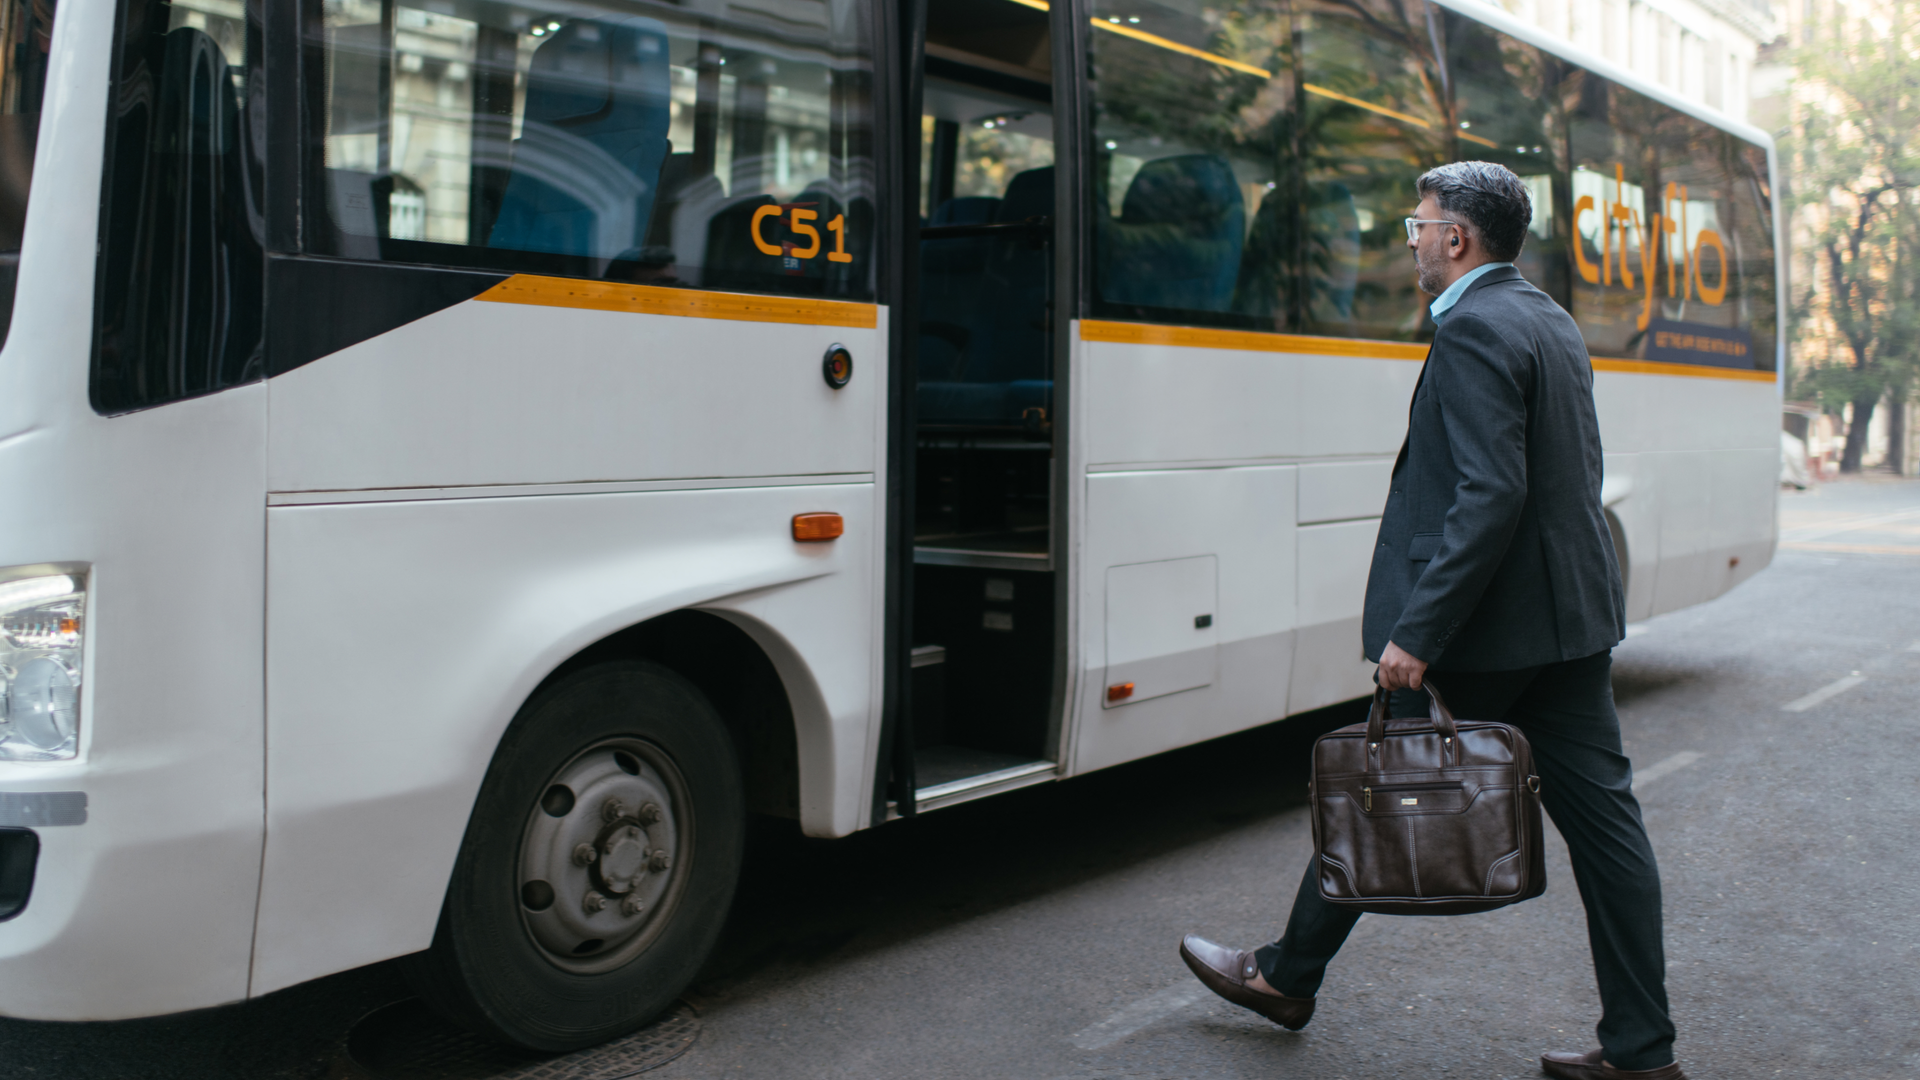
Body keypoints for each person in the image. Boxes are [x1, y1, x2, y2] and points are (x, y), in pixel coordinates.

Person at [1178, 161, 1685, 1080]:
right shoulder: (1547, 318)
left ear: (1457, 237)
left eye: (1419, 224)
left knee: (1374, 789)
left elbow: (1491, 494)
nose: (1411, 238)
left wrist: (1420, 630)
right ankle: (1642, 1051)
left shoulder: (1475, 330)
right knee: (1611, 835)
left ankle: (1287, 976)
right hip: (1570, 621)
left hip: (1491, 630)